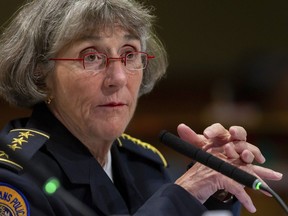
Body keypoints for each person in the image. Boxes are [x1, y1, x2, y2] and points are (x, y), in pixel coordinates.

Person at [0, 0, 283, 215]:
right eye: (91, 57)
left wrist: (215, 186)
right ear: (41, 74)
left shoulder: (143, 163)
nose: (119, 78)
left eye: (130, 54)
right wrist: (181, 196)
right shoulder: (14, 174)